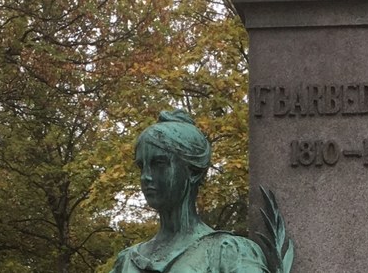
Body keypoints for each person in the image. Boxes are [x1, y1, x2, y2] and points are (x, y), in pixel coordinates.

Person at [108, 111, 266, 273]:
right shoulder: (126, 262)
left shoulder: (230, 254)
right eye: (142, 166)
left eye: (159, 164)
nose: (146, 176)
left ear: (193, 172)